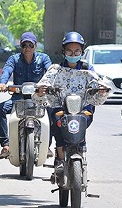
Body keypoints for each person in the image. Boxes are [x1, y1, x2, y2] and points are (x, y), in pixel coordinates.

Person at [40, 31, 98, 171]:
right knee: (57, 122)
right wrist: (42, 89)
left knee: (82, 121)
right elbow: (45, 82)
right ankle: (60, 157)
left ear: (82, 52)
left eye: (77, 51)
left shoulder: (88, 69)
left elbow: (97, 82)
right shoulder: (56, 70)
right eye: (70, 51)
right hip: (61, 107)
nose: (73, 55)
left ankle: (81, 150)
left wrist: (100, 89)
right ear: (64, 52)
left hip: (83, 109)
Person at [0, 32, 52, 159]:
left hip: (39, 98)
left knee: (52, 110)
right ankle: (6, 144)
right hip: (18, 99)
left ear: (35, 46)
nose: (27, 48)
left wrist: (51, 85)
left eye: (30, 45)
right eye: (24, 45)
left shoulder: (43, 58)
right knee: (0, 109)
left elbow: (50, 72)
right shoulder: (14, 59)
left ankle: (46, 145)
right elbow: (7, 70)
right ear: (21, 46)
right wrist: (2, 83)